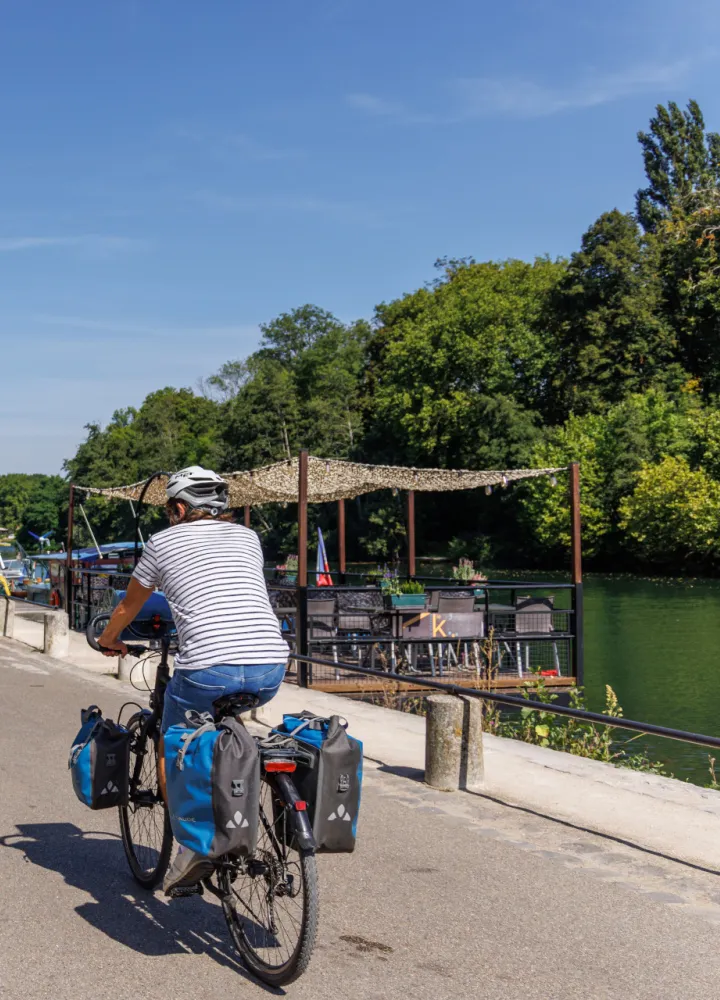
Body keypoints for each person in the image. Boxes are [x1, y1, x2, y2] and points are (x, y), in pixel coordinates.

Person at [97, 465, 288, 893]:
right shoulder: (249, 538)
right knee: (227, 716)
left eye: (169, 510)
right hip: (272, 665)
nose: (168, 517)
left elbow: (130, 605)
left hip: (208, 667)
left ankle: (192, 846)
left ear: (180, 508)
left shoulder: (162, 542)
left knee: (175, 740)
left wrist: (109, 638)